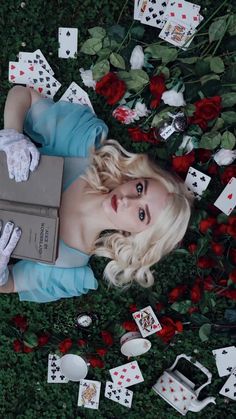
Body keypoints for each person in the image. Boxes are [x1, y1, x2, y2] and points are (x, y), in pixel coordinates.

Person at [0, 85, 193, 303]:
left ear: (137, 236)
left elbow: (11, 284)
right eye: (140, 188)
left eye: (141, 214)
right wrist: (13, 134)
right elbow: (22, 95)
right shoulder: (81, 147)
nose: (126, 201)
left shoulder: (68, 269)